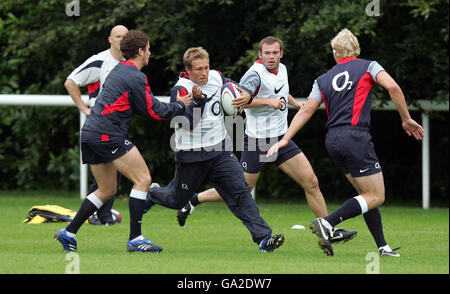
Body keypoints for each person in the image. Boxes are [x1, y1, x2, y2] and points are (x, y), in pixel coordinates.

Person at [176, 36, 356, 244]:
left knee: (311, 182)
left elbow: (280, 91)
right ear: (260, 55)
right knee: (241, 190)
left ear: (281, 54)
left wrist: (294, 103)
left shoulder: (283, 69)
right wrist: (268, 102)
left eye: (275, 53)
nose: (271, 57)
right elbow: (238, 102)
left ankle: (327, 230)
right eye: (267, 53)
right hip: (257, 141)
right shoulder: (254, 75)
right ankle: (193, 200)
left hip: (281, 138)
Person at [267, 28, 424, 257]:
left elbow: (307, 109)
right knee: (376, 195)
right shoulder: (369, 66)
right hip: (355, 137)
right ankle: (328, 223)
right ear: (356, 49)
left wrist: (286, 139)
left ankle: (383, 246)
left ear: (335, 52)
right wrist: (406, 118)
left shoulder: (322, 79)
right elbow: (393, 87)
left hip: (333, 140)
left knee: (366, 194)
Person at [55, 30, 191, 253]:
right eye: (148, 49)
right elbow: (152, 110)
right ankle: (135, 239)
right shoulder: (135, 76)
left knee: (107, 189)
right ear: (140, 51)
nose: (150, 53)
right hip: (107, 135)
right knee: (143, 179)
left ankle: (68, 233)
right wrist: (179, 106)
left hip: (90, 134)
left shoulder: (121, 70)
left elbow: (141, 105)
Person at [144, 47, 285, 253]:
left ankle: (264, 239)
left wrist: (243, 96)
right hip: (191, 155)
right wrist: (199, 101)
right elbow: (188, 123)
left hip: (220, 150)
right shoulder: (181, 90)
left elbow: (236, 88)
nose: (204, 73)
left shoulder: (217, 78)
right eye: (199, 69)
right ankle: (153, 193)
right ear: (188, 70)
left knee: (240, 191)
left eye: (206, 68)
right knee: (176, 200)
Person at [64, 25, 129, 225]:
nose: (121, 40)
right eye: (118, 36)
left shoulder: (129, 63)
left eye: (125, 37)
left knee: (110, 174)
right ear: (110, 39)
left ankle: (99, 214)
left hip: (117, 122)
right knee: (114, 172)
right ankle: (98, 215)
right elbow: (71, 81)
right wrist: (84, 108)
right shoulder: (100, 60)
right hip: (101, 123)